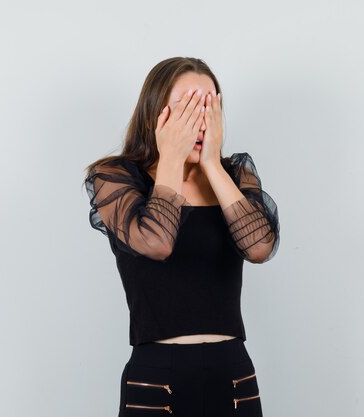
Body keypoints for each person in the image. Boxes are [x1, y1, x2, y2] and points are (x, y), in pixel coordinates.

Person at [83, 57, 280, 416]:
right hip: (158, 376)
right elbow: (156, 242)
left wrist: (212, 166)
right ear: (154, 115)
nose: (197, 121)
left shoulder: (235, 174)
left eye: (207, 106)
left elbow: (259, 247)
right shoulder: (115, 177)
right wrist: (172, 157)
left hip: (232, 372)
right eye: (186, 108)